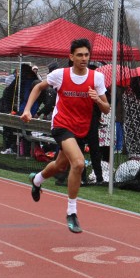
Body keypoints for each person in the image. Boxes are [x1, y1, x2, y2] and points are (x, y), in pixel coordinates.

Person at [20, 38, 110, 234]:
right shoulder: (60, 75)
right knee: (78, 163)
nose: (84, 58)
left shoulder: (96, 78)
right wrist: (27, 110)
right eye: (79, 55)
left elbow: (106, 108)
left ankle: (37, 180)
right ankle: (72, 212)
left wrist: (97, 100)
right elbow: (38, 87)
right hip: (61, 125)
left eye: (86, 55)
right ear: (71, 57)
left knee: (61, 165)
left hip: (81, 128)